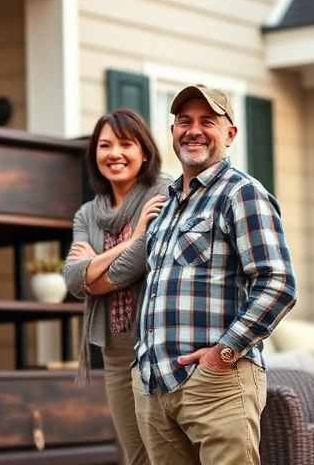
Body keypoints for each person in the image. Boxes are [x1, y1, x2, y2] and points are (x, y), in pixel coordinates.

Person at [132, 85, 298, 465]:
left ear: (230, 134)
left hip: (218, 385)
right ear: (172, 130)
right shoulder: (168, 204)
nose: (194, 130)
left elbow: (278, 283)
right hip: (156, 387)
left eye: (208, 121)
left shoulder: (241, 193)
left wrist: (223, 355)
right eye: (184, 121)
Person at [62, 109, 169, 465]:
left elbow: (136, 265)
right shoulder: (88, 214)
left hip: (155, 341)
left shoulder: (162, 193)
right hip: (115, 349)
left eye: (126, 144)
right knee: (136, 455)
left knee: (165, 452)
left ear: (144, 151)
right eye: (105, 145)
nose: (115, 154)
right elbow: (73, 281)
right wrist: (131, 240)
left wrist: (96, 268)